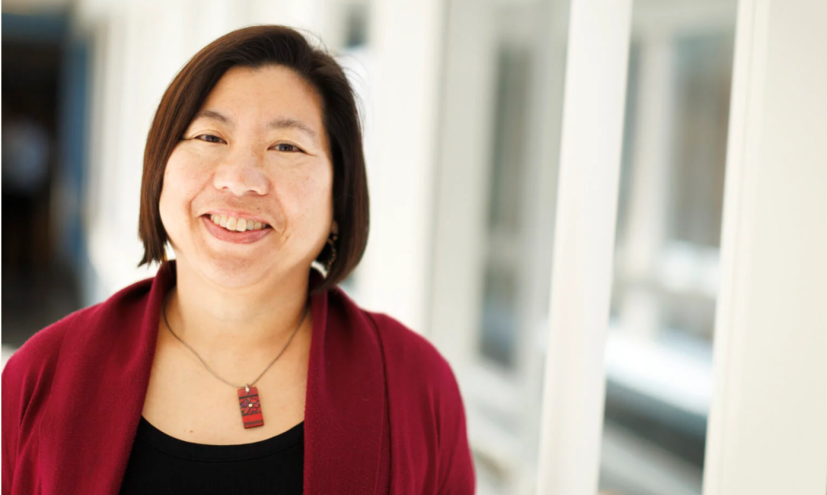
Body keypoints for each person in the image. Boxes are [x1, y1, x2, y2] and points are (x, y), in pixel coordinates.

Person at [2, 25, 475, 494]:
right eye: (210, 137)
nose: (240, 178)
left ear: (339, 199)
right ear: (160, 170)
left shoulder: (415, 385)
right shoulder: (40, 377)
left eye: (286, 146)